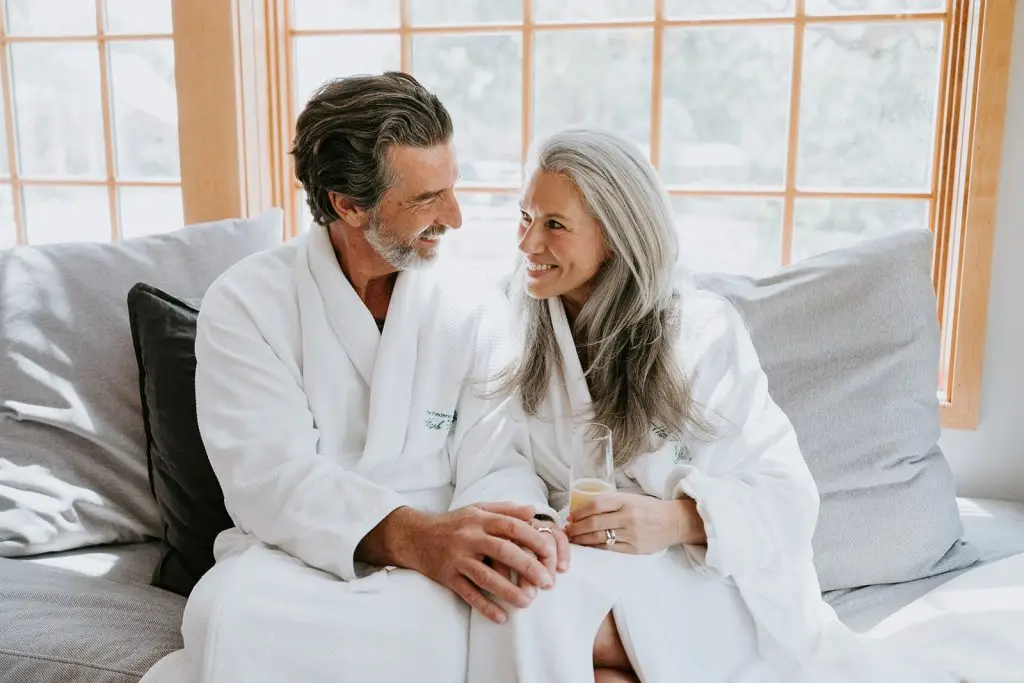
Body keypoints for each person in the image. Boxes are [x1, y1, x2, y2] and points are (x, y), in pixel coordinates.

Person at [466, 128, 963, 683]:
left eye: (554, 225)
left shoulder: (699, 332)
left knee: (569, 627)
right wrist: (534, 523)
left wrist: (676, 519)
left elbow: (787, 498)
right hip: (572, 559)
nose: (527, 243)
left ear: (615, 235)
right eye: (524, 216)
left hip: (696, 571)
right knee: (555, 628)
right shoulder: (508, 325)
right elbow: (493, 459)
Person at [139, 72, 571, 683]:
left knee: (504, 616)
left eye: (452, 188)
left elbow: (500, 459)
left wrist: (517, 531)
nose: (455, 217)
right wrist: (414, 537)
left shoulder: (473, 304)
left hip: (452, 554)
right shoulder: (247, 302)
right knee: (232, 614)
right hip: (297, 552)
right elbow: (269, 478)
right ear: (347, 204)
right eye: (427, 199)